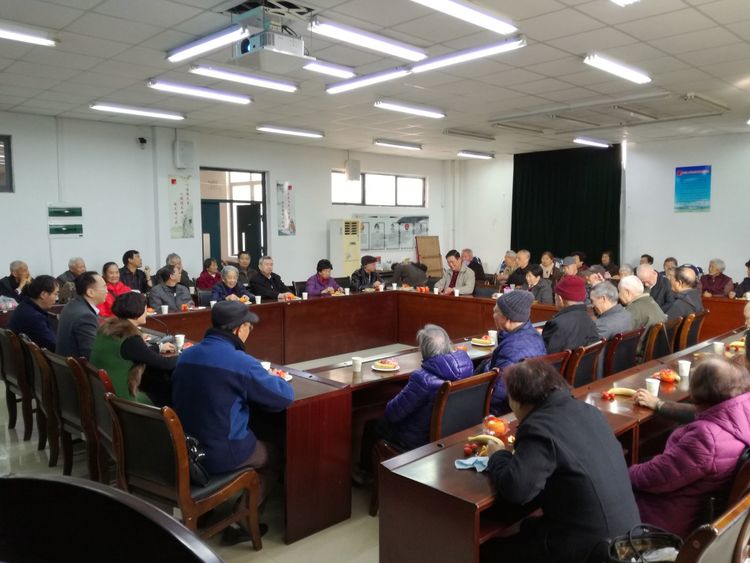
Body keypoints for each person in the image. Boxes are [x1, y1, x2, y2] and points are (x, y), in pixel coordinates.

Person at [481, 360, 639, 563]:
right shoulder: (589, 411)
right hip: (628, 538)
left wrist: (498, 455)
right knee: (529, 527)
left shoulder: (539, 427)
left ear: (518, 401)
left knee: (489, 552)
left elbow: (516, 490)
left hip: (593, 551)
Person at [171, 300, 294, 491]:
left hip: (186, 447)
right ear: (238, 329)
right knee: (275, 453)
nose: (249, 331)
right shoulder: (241, 362)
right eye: (249, 327)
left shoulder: (186, 356)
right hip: (221, 453)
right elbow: (284, 397)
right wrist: (272, 377)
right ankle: (247, 506)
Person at [629, 356, 750, 538]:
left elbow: (655, 477)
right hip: (699, 504)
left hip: (668, 518)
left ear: (699, 393)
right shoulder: (740, 412)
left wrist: (622, 473)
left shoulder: (705, 438)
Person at [361, 324, 474, 461]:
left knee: (373, 426)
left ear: (423, 349)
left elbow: (392, 414)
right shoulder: (467, 368)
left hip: (418, 440)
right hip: (451, 433)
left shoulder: (422, 379)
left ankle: (366, 472)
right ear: (448, 345)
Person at [90, 292, 177, 406]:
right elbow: (166, 364)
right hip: (123, 398)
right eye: (145, 309)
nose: (146, 313)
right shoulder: (130, 338)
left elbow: (140, 352)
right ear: (138, 311)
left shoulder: (109, 329)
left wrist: (159, 347)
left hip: (101, 393)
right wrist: (187, 355)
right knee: (167, 390)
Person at [477, 291, 547, 414]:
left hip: (506, 411)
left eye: (495, 312)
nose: (493, 315)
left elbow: (498, 398)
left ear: (506, 318)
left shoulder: (512, 350)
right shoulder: (534, 335)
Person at [56, 271, 108, 359]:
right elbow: (92, 353)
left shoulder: (73, 304)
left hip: (65, 361)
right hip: (75, 365)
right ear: (90, 292)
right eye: (104, 287)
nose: (107, 291)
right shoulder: (85, 316)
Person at [542, 275, 599, 354]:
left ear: (560, 299)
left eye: (555, 295)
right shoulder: (590, 319)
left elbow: (546, 355)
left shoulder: (557, 324)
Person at [7, 275, 58, 351]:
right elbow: (53, 346)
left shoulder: (23, 306)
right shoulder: (34, 317)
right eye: (55, 294)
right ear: (43, 294)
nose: (57, 298)